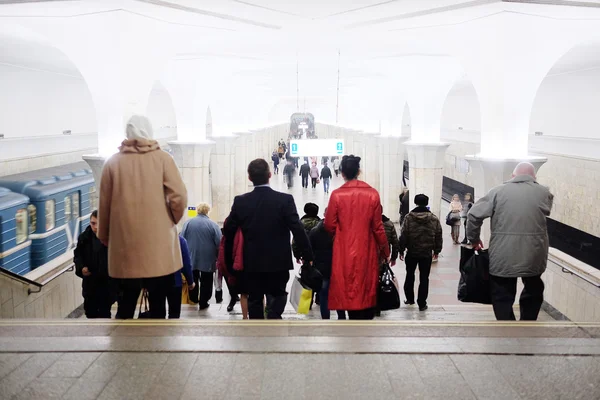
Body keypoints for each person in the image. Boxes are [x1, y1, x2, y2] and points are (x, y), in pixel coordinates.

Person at [98, 115, 187, 320]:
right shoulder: (164, 159)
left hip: (125, 246)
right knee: (158, 302)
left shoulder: (112, 163)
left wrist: (105, 235)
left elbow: (104, 205)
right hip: (159, 246)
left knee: (127, 302)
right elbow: (179, 196)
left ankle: (123, 344)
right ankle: (156, 343)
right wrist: (171, 219)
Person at [224, 159, 314, 319]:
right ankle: (274, 318)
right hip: (278, 262)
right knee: (278, 294)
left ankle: (258, 327)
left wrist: (229, 262)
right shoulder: (284, 200)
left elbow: (228, 232)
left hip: (252, 262)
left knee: (255, 298)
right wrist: (307, 256)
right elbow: (298, 230)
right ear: (270, 175)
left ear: (249, 178)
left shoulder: (241, 202)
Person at [467, 162, 553, 321]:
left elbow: (473, 215)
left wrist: (474, 239)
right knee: (533, 286)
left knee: (501, 291)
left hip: (502, 252)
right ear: (534, 177)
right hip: (534, 251)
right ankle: (528, 321)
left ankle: (507, 324)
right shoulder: (544, 192)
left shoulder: (497, 192)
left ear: (513, 176)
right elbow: (546, 210)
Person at [324, 155, 390, 320]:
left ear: (342, 173)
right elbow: (378, 227)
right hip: (366, 249)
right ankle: (364, 316)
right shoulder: (372, 194)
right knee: (365, 283)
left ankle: (351, 318)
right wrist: (385, 249)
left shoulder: (337, 195)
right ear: (359, 171)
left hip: (343, 249)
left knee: (346, 284)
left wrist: (340, 234)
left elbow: (329, 225)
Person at [398, 194, 443, 311]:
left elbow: (404, 235)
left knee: (409, 275)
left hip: (412, 252)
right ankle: (422, 303)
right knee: (424, 278)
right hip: (426, 253)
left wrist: (401, 250)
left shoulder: (408, 217)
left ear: (415, 202)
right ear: (427, 203)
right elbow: (438, 235)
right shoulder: (433, 218)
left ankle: (410, 298)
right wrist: (437, 250)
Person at [182, 203, 222, 310]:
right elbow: (219, 242)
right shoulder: (213, 225)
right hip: (208, 258)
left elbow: (181, 239)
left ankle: (194, 299)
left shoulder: (188, 223)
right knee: (207, 281)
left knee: (193, 278)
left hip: (191, 257)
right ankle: (204, 302)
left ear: (197, 211)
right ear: (207, 211)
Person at [74, 210, 114, 318]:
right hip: (90, 284)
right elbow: (78, 256)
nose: (95, 227)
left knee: (104, 313)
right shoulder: (84, 238)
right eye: (93, 223)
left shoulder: (111, 238)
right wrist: (81, 268)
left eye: (98, 223)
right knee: (90, 312)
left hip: (106, 284)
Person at [310, 209, 346, 320]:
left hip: (321, 269)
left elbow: (310, 250)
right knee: (339, 295)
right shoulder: (341, 231)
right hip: (338, 268)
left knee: (323, 296)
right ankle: (341, 317)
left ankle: (326, 319)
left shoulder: (314, 231)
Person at [166, 236, 195, 319]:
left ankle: (158, 331)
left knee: (157, 314)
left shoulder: (153, 239)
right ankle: (172, 330)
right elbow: (186, 264)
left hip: (155, 281)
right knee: (174, 314)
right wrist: (190, 282)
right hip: (174, 281)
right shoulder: (180, 240)